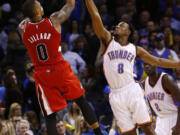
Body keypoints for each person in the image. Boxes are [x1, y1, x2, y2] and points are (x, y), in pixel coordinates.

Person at [84, 0, 180, 134]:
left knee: (147, 127)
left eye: (121, 25)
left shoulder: (135, 49)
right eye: (117, 25)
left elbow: (157, 61)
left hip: (131, 89)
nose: (117, 26)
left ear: (128, 31)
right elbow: (95, 15)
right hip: (115, 94)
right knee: (129, 132)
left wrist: (177, 63)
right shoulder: (107, 40)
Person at [18, 0, 103, 135]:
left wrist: (29, 14)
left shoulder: (22, 29)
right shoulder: (53, 20)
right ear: (39, 10)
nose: (41, 5)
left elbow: (26, 19)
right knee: (81, 101)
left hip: (42, 73)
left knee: (50, 115)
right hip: (59, 68)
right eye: (40, 4)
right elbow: (70, 5)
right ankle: (98, 132)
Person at [143, 62, 180, 135]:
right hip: (160, 120)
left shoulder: (166, 79)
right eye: (145, 64)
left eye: (149, 63)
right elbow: (150, 105)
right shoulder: (144, 83)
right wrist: (153, 118)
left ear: (156, 64)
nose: (147, 66)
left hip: (174, 118)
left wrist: (178, 126)